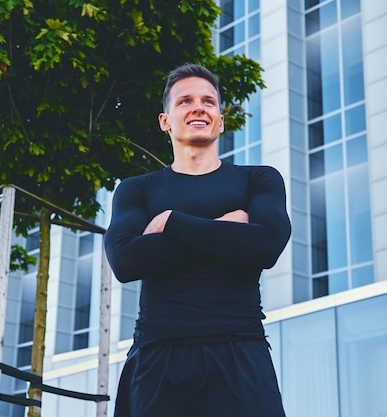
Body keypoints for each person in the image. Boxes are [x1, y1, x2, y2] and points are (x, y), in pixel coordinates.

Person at [104, 63, 291, 417]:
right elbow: (126, 261)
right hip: (159, 356)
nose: (198, 107)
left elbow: (266, 245)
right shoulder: (136, 189)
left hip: (240, 352)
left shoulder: (259, 180)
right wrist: (228, 228)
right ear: (165, 121)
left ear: (220, 120)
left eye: (208, 101)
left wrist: (171, 222)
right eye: (185, 101)